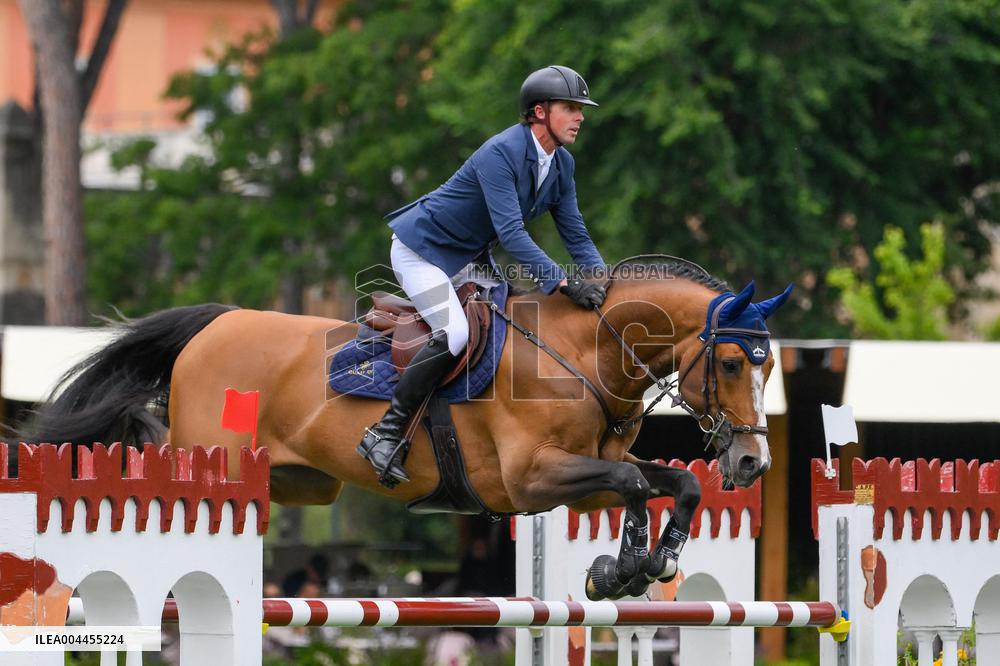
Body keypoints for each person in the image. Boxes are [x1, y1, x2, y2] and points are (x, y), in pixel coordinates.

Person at [357, 65, 609, 487]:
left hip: (469, 257)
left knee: (512, 324)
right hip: (423, 252)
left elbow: (576, 232)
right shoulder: (501, 153)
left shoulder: (562, 165)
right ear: (539, 112)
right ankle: (384, 432)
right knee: (455, 333)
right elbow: (512, 233)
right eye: (570, 108)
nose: (580, 117)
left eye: (580, 109)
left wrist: (602, 281)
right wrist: (563, 283)